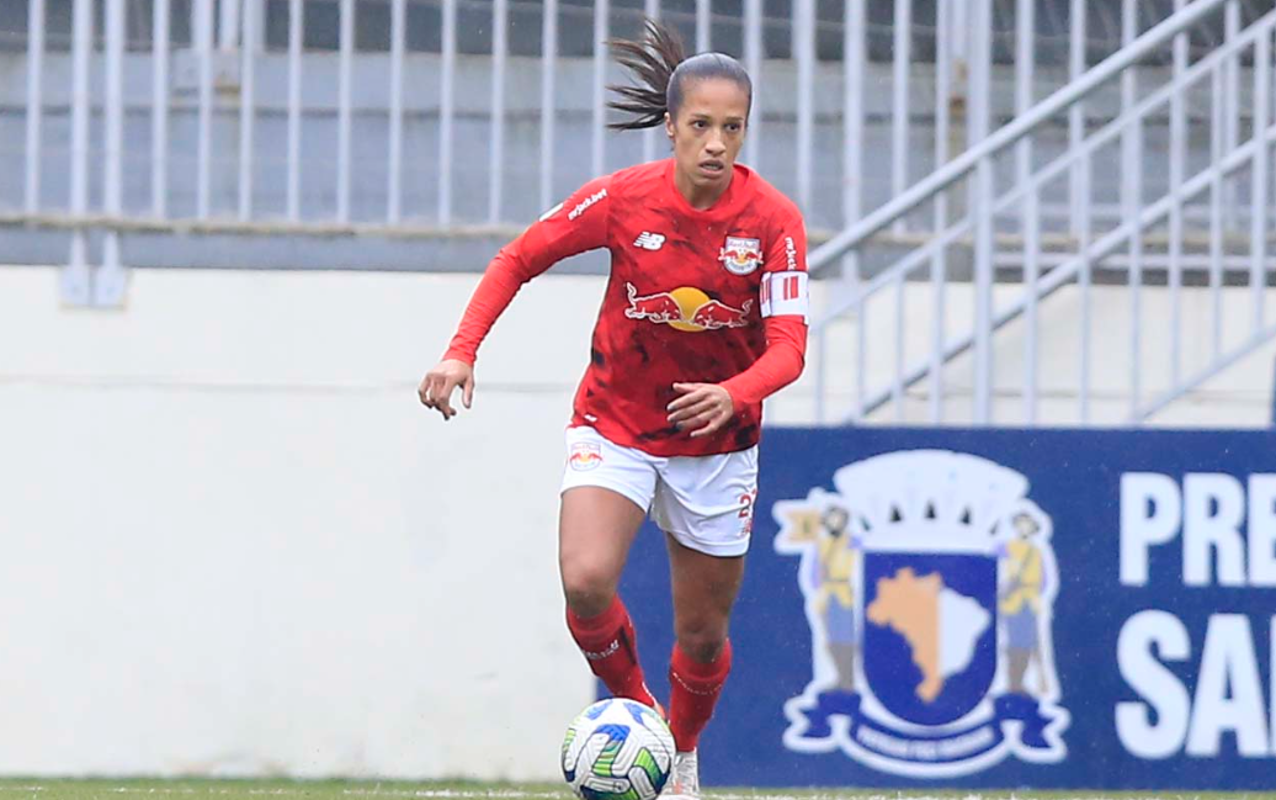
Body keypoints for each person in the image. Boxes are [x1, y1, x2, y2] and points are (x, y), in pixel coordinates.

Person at [418, 19, 808, 798]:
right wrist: (461, 348)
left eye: (732, 127)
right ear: (671, 125)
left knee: (701, 634)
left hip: (718, 447)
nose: (716, 143)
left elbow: (789, 348)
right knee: (588, 580)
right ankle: (643, 722)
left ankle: (685, 759)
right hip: (616, 425)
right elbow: (520, 256)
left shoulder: (772, 223)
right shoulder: (623, 200)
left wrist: (733, 393)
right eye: (700, 124)